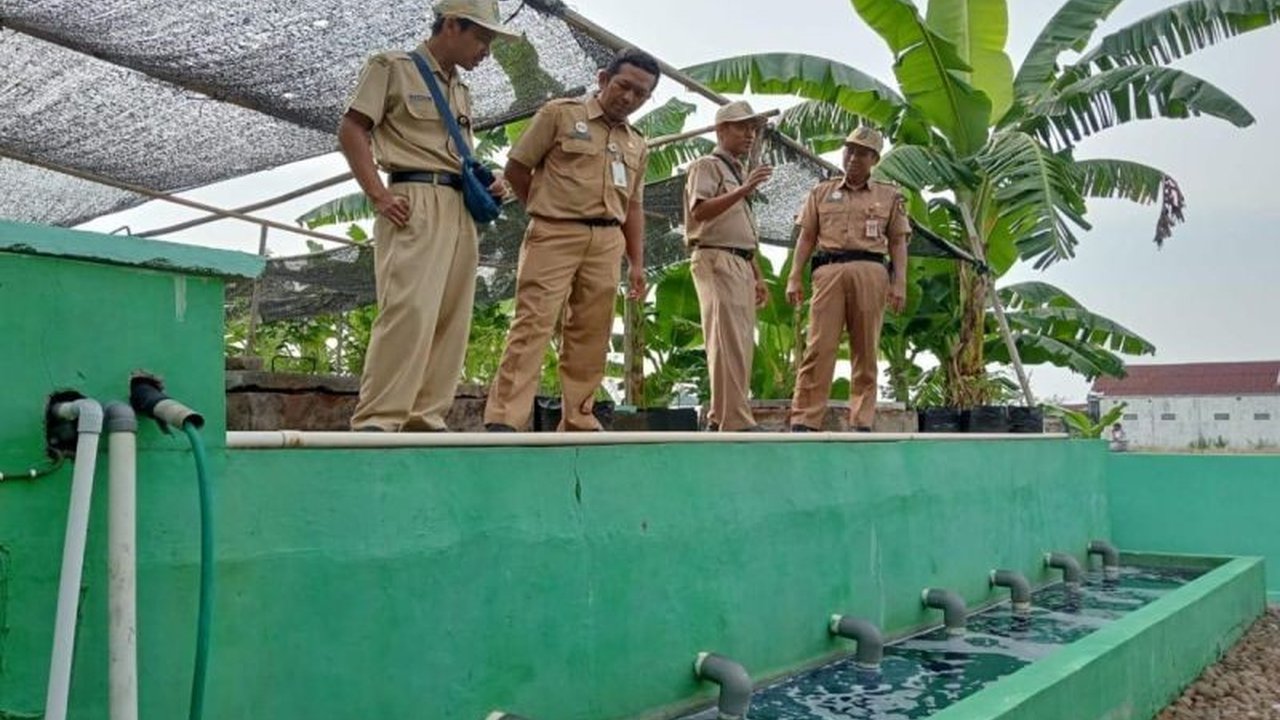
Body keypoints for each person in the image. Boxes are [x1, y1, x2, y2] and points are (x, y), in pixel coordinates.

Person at [340, 0, 516, 432]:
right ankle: (378, 420)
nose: (485, 50)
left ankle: (426, 418)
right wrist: (378, 195)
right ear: (451, 25)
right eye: (481, 37)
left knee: (451, 314)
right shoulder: (391, 66)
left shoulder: (461, 89)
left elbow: (454, 151)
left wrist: (489, 179)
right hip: (413, 197)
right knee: (409, 308)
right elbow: (352, 129)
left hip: (460, 204)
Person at [483, 48, 659, 432]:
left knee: (592, 332)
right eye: (623, 86)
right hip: (554, 232)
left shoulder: (638, 144)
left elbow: (633, 207)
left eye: (640, 94)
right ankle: (505, 419)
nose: (629, 98)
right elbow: (516, 168)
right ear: (602, 79)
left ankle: (578, 416)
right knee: (534, 322)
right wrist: (543, 210)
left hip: (608, 240)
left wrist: (638, 263)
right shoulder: (560, 114)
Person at [785, 127, 910, 433]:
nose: (853, 158)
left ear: (874, 159)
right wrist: (793, 277)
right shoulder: (821, 192)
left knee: (866, 348)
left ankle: (862, 420)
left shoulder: (889, 195)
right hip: (828, 270)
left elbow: (897, 242)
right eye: (849, 150)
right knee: (819, 346)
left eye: (862, 153)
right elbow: (806, 238)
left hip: (871, 270)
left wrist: (900, 282)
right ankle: (805, 418)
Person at [684, 101, 772, 432]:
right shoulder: (707, 166)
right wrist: (747, 188)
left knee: (737, 340)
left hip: (739, 260)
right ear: (721, 130)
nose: (749, 134)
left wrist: (757, 275)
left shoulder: (735, 171)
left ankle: (722, 416)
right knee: (727, 339)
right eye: (741, 127)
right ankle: (734, 419)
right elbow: (701, 211)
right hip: (716, 256)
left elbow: (743, 232)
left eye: (752, 128)